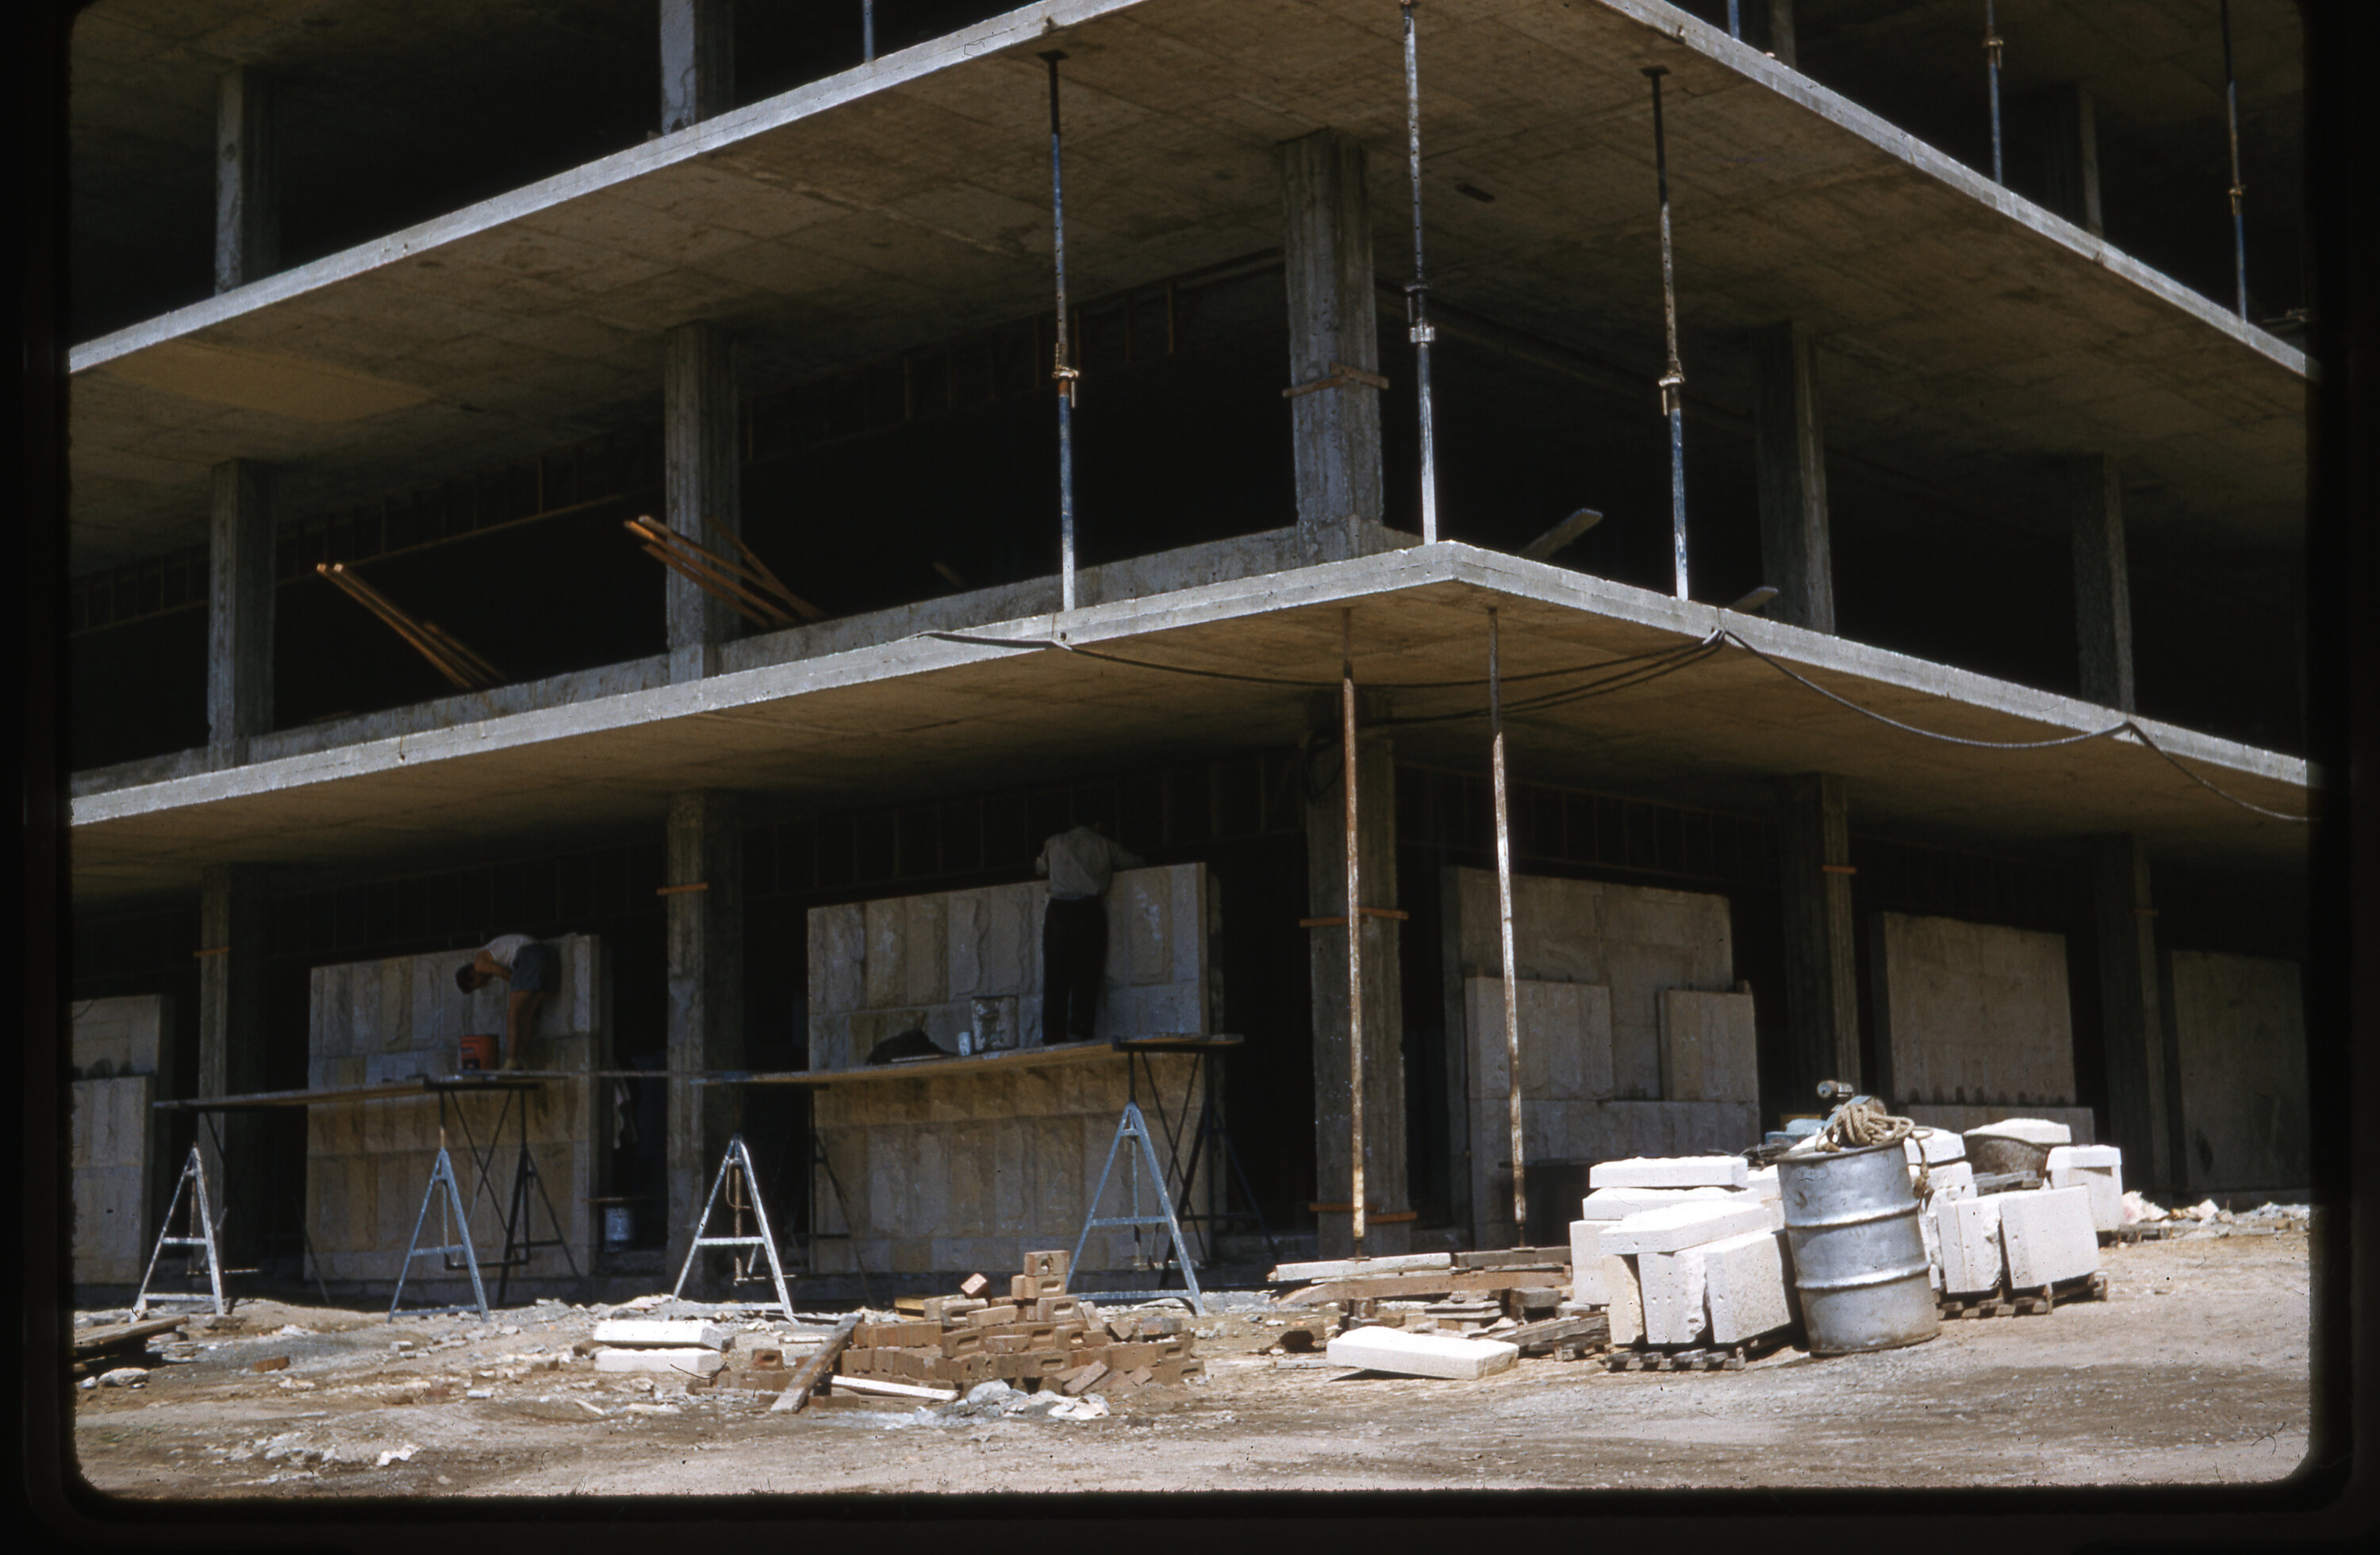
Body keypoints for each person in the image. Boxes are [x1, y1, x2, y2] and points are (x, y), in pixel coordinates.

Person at [1035, 822, 1142, 1045]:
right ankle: (1080, 1031)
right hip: (1089, 910)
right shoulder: (1103, 844)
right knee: (1087, 974)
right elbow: (1135, 862)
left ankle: (1053, 1035)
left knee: (1055, 976)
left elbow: (1039, 868)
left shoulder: (1055, 842)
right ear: (1097, 824)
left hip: (1059, 910)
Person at [454, 933, 558, 1071]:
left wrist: (518, 985)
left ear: (472, 973)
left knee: (513, 1014)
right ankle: (521, 1060)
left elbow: (504, 973)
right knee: (528, 1015)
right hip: (548, 956)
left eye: (477, 984)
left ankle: (511, 1061)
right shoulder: (493, 953)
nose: (483, 985)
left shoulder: (479, 963)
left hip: (530, 955)